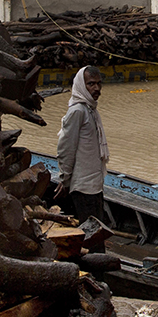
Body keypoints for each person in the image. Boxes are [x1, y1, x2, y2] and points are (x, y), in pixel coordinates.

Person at [54, 66, 108, 223]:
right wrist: (65, 179)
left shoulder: (91, 110)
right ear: (81, 85)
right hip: (84, 187)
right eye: (91, 84)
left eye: (99, 83)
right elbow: (66, 148)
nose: (96, 88)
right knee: (92, 234)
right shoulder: (77, 111)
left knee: (96, 231)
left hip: (94, 185)